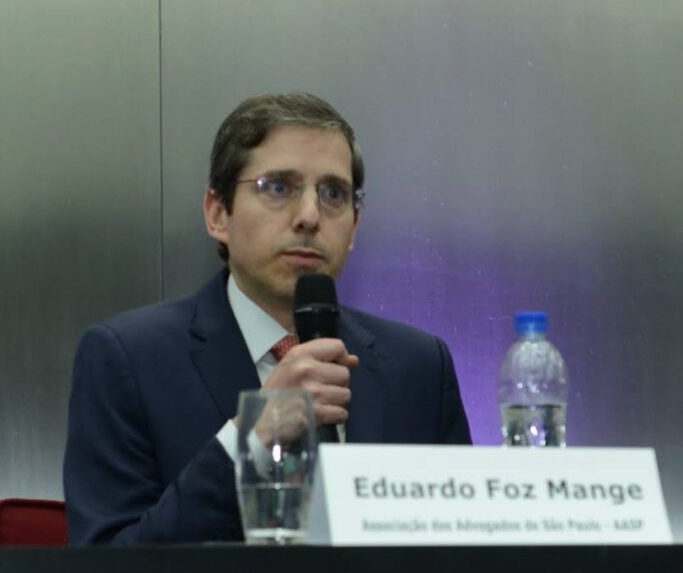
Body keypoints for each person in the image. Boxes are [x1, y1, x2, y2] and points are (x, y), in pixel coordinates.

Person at [63, 92, 471, 545]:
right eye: (278, 187)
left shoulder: (419, 367)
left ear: (355, 226)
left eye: (333, 193)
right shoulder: (128, 360)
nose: (310, 216)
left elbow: (469, 561)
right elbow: (110, 570)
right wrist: (254, 436)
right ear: (218, 214)